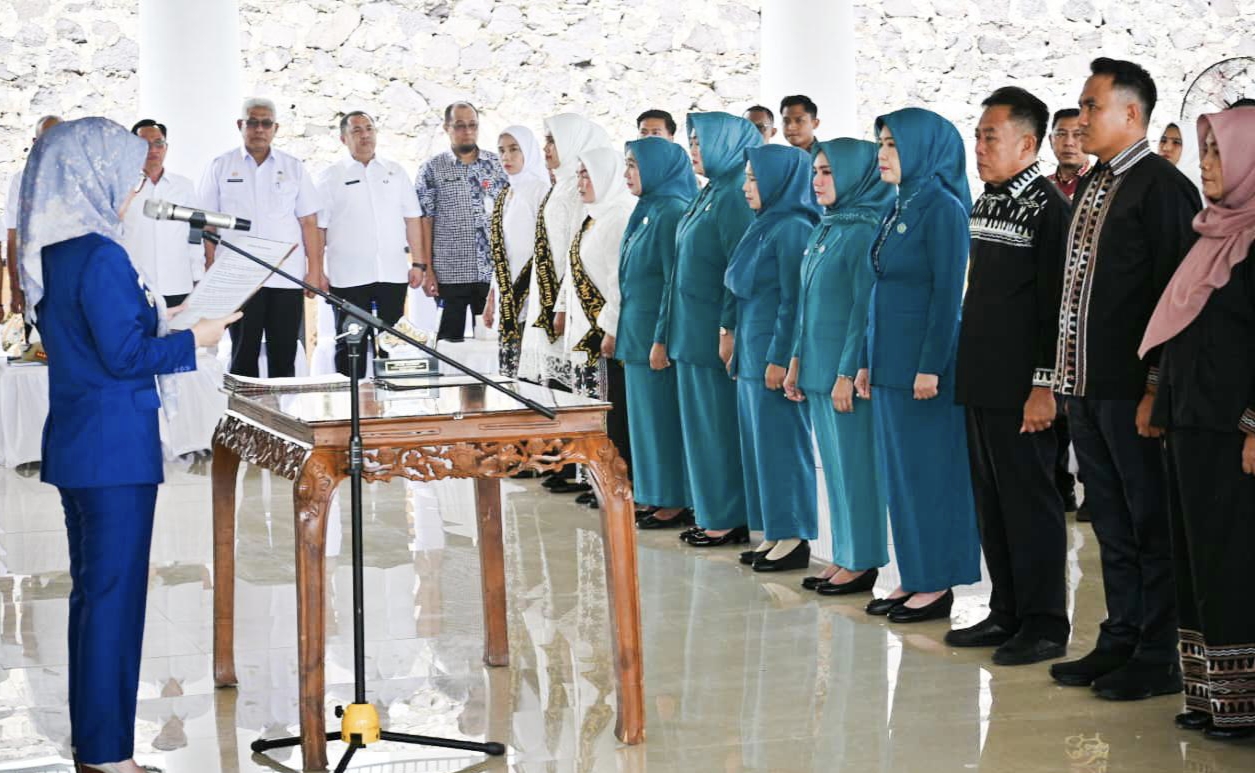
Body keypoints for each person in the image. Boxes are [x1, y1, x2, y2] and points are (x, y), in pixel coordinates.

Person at [17, 117, 238, 773]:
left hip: (83, 442)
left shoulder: (58, 251)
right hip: (114, 449)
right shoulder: (101, 254)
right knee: (113, 601)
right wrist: (193, 340)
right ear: (94, 177)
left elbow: (99, 338)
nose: (133, 188)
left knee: (95, 597)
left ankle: (95, 744)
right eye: (126, 176)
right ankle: (110, 755)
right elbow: (124, 357)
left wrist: (167, 320)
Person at [1048, 58, 1201, 701]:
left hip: (1133, 392)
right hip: (1087, 387)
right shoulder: (1094, 182)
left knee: (1149, 524)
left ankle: (1159, 653)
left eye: (1092, 106)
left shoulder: (1162, 187)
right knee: (1109, 522)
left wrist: (1156, 389)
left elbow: (1179, 299)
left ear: (1131, 113)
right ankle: (1121, 635)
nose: (1081, 119)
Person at [1140, 107, 1255, 741]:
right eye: (1204, 150)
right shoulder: (1208, 234)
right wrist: (1160, 400)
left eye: (1217, 152)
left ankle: (1244, 704)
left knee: (1234, 562)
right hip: (1191, 422)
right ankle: (1211, 693)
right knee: (1195, 560)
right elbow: (1179, 330)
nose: (1205, 164)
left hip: (1233, 432)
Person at [950, 87, 1073, 665]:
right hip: (983, 378)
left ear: (1027, 144)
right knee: (992, 503)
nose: (978, 147)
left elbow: (1056, 306)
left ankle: (1045, 623)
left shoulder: (1048, 208)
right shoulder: (988, 201)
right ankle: (1007, 611)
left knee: (1031, 504)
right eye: (977, 136)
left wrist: (1044, 386)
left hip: (1024, 388)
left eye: (989, 137)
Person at [863, 107, 981, 623]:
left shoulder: (943, 208)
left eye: (892, 144)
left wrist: (931, 364)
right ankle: (913, 574)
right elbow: (878, 289)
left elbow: (948, 293)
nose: (882, 154)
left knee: (931, 476)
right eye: (881, 144)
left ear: (923, 148)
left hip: (922, 370)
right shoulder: (898, 204)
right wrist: (866, 360)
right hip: (889, 363)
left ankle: (937, 582)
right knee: (901, 478)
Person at [782, 138, 892, 594]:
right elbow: (805, 304)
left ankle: (862, 560)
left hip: (843, 374)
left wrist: (847, 372)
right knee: (836, 468)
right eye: (815, 172)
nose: (818, 180)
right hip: (816, 367)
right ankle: (845, 553)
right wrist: (795, 361)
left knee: (856, 469)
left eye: (828, 172)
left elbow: (862, 312)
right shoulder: (827, 227)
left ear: (852, 175)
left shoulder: (865, 230)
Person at [661, 112, 761, 548]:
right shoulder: (712, 191)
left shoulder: (735, 194)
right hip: (690, 328)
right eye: (692, 142)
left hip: (711, 331)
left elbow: (738, 267)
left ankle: (729, 516)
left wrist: (727, 327)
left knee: (717, 426)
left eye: (701, 142)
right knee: (701, 428)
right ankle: (711, 511)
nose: (693, 150)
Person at [725, 144, 819, 572]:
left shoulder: (794, 227)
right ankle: (775, 531)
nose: (746, 187)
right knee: (760, 447)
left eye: (753, 178)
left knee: (783, 445)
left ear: (779, 180)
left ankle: (794, 535)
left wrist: (780, 357)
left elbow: (793, 301)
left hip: (770, 353)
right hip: (752, 349)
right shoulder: (764, 223)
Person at [198, 97, 324, 377]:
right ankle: (244, 407)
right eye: (252, 122)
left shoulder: (293, 167)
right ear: (240, 125)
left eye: (266, 123)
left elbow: (309, 221)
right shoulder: (220, 165)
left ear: (275, 128)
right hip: (238, 276)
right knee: (243, 353)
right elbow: (207, 223)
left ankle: (285, 406)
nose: (259, 129)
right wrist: (209, 267)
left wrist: (314, 270)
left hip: (286, 274)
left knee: (284, 353)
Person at [519, 113, 610, 496]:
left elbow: (575, 252)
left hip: (569, 296)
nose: (546, 149)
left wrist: (561, 304)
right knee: (556, 383)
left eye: (553, 140)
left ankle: (576, 464)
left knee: (576, 385)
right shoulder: (561, 186)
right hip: (549, 290)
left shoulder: (578, 189)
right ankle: (560, 458)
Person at [616, 137, 697, 529]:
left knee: (661, 419)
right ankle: (652, 492)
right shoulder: (647, 207)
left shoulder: (671, 211)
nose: (627, 173)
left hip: (654, 334)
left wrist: (661, 337)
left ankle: (674, 498)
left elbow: (671, 281)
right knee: (644, 421)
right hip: (636, 330)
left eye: (634, 165)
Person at [317, 111, 424, 378]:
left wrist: (419, 263)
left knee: (392, 343)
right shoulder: (331, 176)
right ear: (343, 138)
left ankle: (389, 397)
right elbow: (319, 227)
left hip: (391, 272)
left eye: (369, 129)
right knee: (350, 344)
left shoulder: (395, 171)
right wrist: (316, 270)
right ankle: (348, 399)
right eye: (357, 130)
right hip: (348, 277)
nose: (365, 135)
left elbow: (413, 219)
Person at [560, 146, 635, 466]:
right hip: (589, 328)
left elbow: (619, 281)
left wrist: (611, 328)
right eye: (578, 175)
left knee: (615, 409)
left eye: (587, 175)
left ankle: (618, 476)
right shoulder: (594, 217)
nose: (581, 183)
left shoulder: (617, 217)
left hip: (607, 330)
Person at [414, 101, 509, 342]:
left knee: (489, 342)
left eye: (472, 125)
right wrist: (427, 270)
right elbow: (425, 221)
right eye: (459, 125)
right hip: (449, 273)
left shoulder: (497, 166)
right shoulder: (432, 169)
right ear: (446, 128)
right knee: (448, 342)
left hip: (490, 273)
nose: (467, 131)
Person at [1046, 107, 1090, 518]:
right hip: (1052, 312)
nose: (1070, 142)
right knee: (1056, 404)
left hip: (1090, 315)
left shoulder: (1101, 188)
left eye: (1077, 134)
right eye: (1062, 134)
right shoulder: (1043, 191)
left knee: (1087, 404)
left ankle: (1095, 488)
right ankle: (1061, 486)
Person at [120, 119, 204, 309]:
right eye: (145, 144)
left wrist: (198, 275)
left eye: (158, 143)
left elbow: (194, 233)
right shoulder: (123, 186)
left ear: (166, 147)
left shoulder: (183, 186)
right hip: (135, 284)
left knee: (178, 328)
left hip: (177, 282)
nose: (153, 150)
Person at [488, 125, 549, 377]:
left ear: (528, 152)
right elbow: (502, 251)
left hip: (531, 292)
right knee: (509, 371)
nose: (506, 157)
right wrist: (492, 297)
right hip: (507, 294)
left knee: (529, 371)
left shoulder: (540, 190)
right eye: (501, 150)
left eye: (514, 149)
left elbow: (545, 246)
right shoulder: (506, 193)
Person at [5, 114, 61, 317]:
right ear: (35, 142)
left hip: (71, 281)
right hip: (33, 282)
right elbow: (13, 236)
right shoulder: (20, 181)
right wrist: (14, 288)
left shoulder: (79, 177)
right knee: (38, 336)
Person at [1047, 108, 1090, 200]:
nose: (1068, 142)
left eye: (1078, 134)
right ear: (1051, 140)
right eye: (1061, 134)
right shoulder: (1041, 186)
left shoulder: (1107, 185)